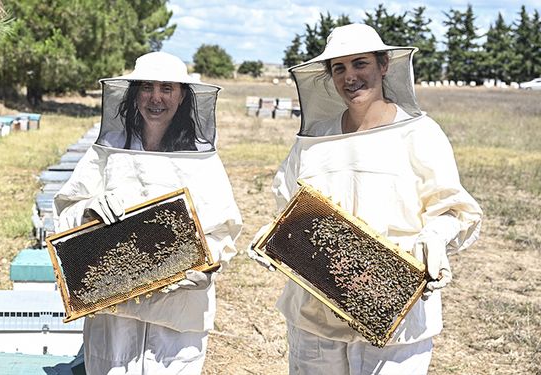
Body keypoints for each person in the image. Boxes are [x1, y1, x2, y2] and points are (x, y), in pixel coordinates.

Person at [248, 23, 482, 374]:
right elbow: (290, 203)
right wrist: (278, 233)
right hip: (316, 311)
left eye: (360, 64)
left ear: (384, 64)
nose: (350, 77)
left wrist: (436, 235)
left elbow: (453, 209)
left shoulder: (420, 134)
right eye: (339, 68)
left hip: (394, 313)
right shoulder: (314, 141)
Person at [53, 51, 242, 375]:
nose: (156, 97)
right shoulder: (109, 147)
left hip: (177, 316)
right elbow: (66, 211)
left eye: (167, 88)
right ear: (134, 94)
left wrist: (205, 266)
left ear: (182, 96)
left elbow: (222, 230)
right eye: (147, 87)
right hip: (115, 310)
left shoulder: (201, 157)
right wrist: (87, 210)